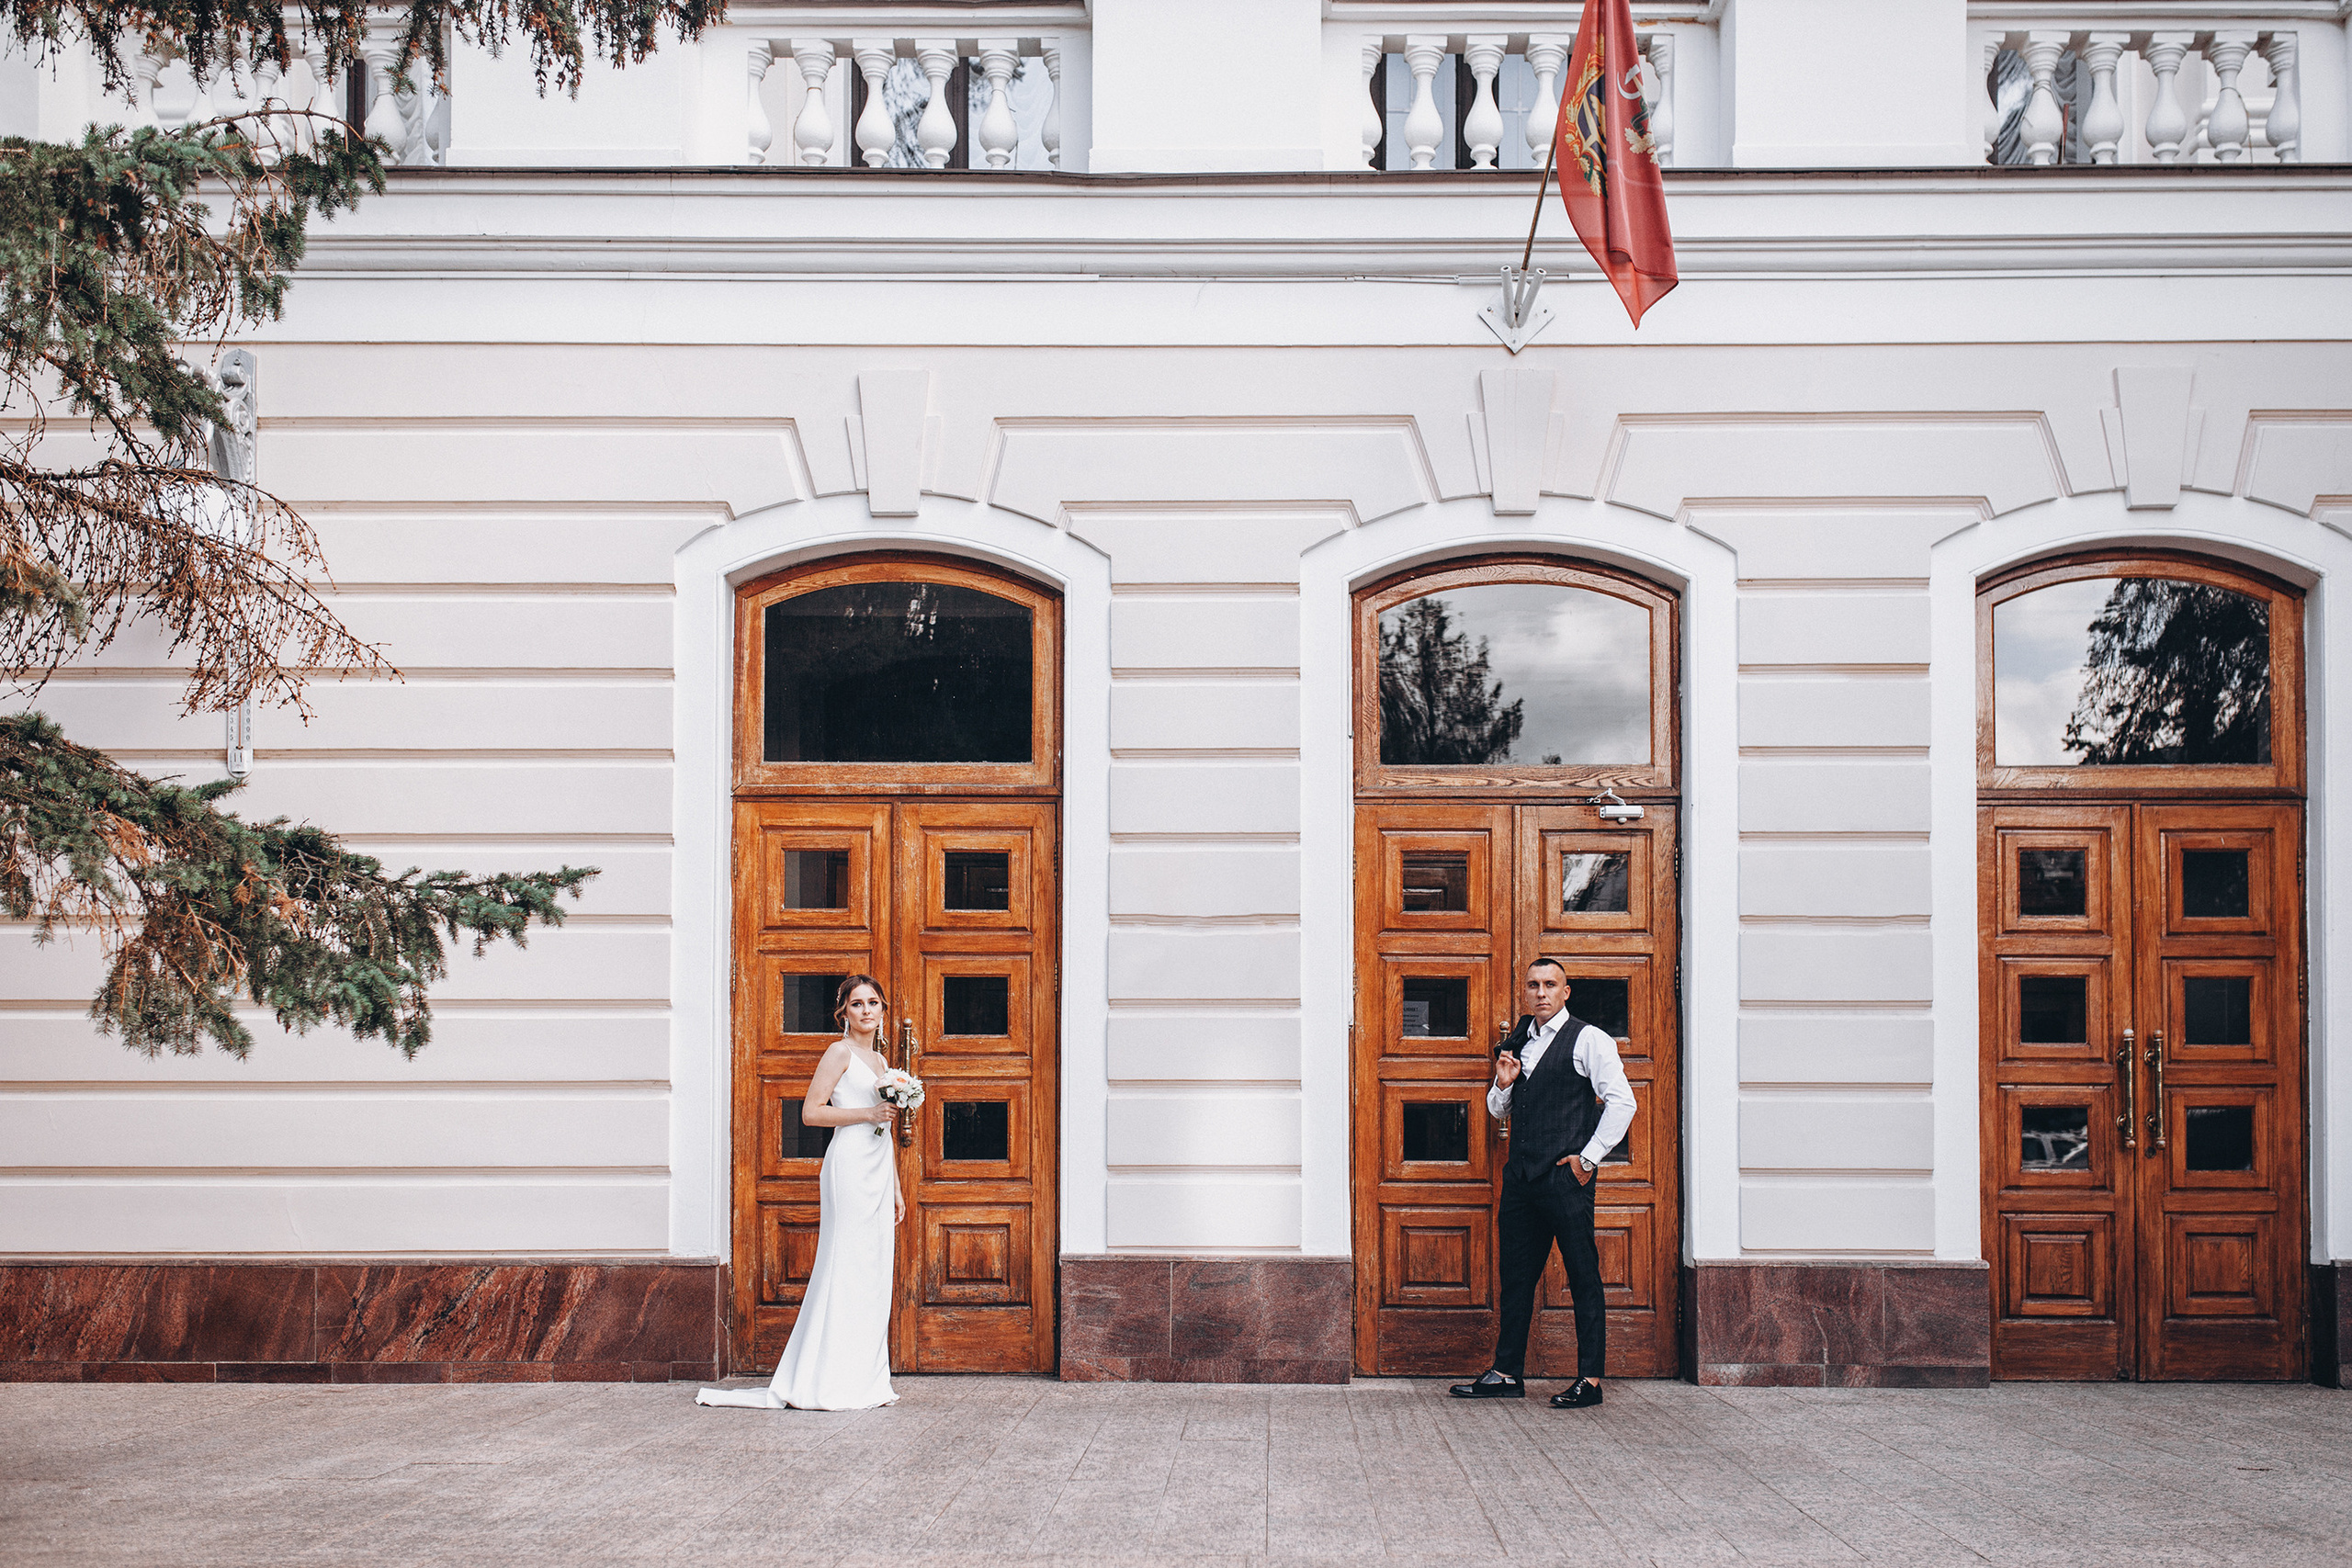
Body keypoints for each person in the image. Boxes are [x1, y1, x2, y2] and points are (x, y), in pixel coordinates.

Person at [697, 975, 903, 1411]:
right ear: (843, 1013)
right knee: (844, 1263)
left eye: (873, 1003)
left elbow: (884, 1128)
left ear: (883, 1010)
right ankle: (827, 1378)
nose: (866, 1011)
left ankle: (862, 1377)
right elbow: (811, 1113)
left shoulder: (884, 1064)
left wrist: (897, 1186)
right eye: (857, 1004)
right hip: (848, 1168)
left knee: (872, 1268)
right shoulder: (838, 1053)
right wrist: (867, 1111)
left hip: (879, 1171)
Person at [1450, 957, 1636, 1410]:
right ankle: (1506, 1373)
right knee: (1516, 1279)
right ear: (1526, 992)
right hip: (1521, 1180)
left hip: (1565, 1180)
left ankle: (1590, 1380)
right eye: (1533, 985)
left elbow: (1622, 1103)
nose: (1541, 992)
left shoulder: (1588, 1039)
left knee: (1583, 1278)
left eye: (1550, 984)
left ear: (1565, 992)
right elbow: (1499, 1112)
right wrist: (1503, 1082)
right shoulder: (1519, 1041)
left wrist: (1587, 1160)